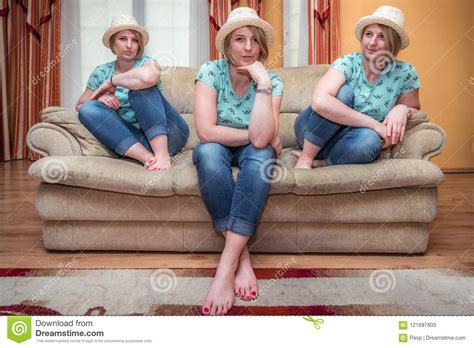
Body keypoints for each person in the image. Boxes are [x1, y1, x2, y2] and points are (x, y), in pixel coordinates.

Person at [193, 7, 283, 316]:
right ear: (227, 44)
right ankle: (241, 259)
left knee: (261, 158)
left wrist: (264, 85)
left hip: (249, 147)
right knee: (207, 153)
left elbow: (260, 144)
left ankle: (222, 272)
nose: (247, 48)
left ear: (261, 47)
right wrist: (261, 134)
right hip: (217, 146)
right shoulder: (209, 72)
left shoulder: (271, 81)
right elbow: (206, 132)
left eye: (254, 41)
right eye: (239, 39)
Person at [292, 6, 420, 169]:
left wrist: (403, 109)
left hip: (346, 143)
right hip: (310, 132)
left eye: (382, 36)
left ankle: (324, 162)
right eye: (369, 34)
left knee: (370, 140)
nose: (372, 42)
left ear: (393, 42)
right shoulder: (348, 63)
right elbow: (320, 102)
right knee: (344, 93)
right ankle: (305, 158)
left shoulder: (405, 72)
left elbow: (414, 107)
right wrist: (375, 124)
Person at [76, 14, 189, 171]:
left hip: (170, 134)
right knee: (88, 108)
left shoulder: (148, 63)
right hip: (137, 141)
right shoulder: (100, 72)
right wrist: (98, 101)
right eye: (122, 39)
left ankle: (162, 155)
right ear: (112, 43)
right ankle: (148, 159)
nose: (129, 45)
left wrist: (112, 81)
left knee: (139, 89)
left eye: (134, 40)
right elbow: (81, 106)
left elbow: (148, 78)